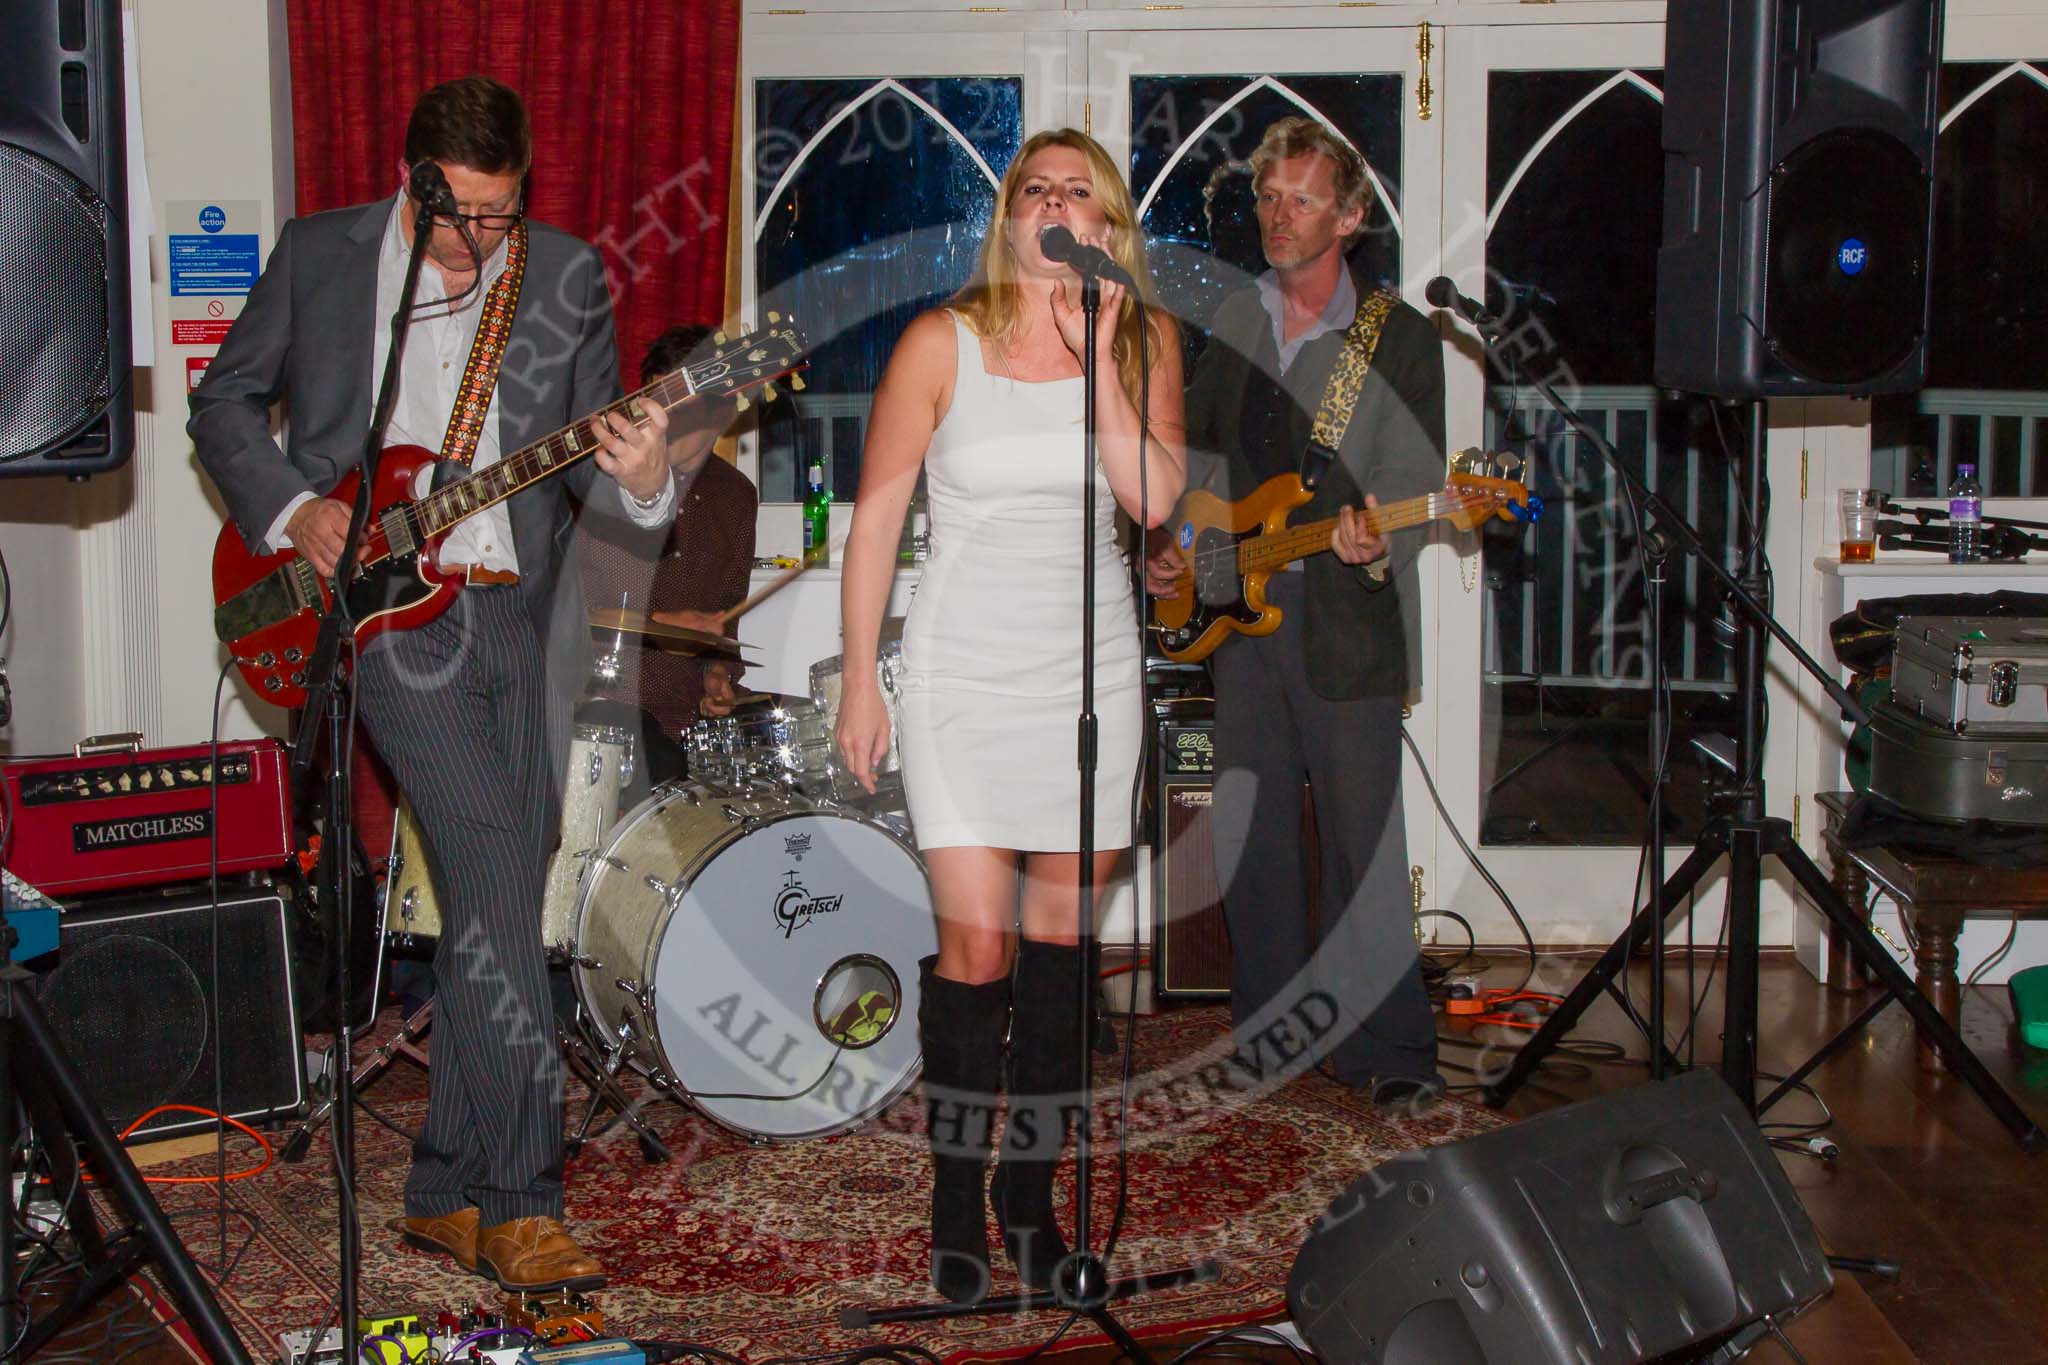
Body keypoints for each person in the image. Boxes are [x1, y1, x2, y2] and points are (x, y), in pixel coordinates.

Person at [190, 76, 717, 1292]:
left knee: (500, 897)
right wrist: (293, 506)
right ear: (408, 180)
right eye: (457, 217)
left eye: (500, 214)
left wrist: (641, 477)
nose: (480, 243)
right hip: (382, 622)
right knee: (491, 879)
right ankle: (521, 1197)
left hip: (517, 624)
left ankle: (438, 1187)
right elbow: (223, 401)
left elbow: (597, 476)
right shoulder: (320, 259)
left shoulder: (566, 275)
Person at [837, 129, 1184, 1303]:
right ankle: (953, 1205)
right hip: (959, 675)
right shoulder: (941, 342)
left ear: (1106, 225)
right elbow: (876, 524)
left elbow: (1153, 501)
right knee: (975, 949)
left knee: (1056, 953)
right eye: (1031, 188)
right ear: (1009, 216)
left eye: (1073, 191)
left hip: (1089, 677)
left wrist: (1094, 362)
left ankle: (1028, 1204)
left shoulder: (1141, 340)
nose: (1049, 203)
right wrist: (855, 676)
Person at [1145, 116, 1448, 1110]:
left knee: (1363, 849)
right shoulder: (1240, 318)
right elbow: (1200, 458)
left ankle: (1389, 1051)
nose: (1276, 216)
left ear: (1350, 218)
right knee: (1251, 837)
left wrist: (1377, 544)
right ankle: (1264, 1039)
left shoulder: (1396, 337)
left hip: (1345, 624)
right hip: (1239, 617)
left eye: (1301, 200)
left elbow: (1412, 476)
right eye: (1268, 198)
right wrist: (1176, 549)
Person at [579, 323, 759, 787]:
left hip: (689, 718)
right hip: (604, 705)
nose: (663, 419)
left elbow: (726, 625)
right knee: (658, 761)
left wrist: (717, 676)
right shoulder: (597, 478)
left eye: (685, 402)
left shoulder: (735, 496)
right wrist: (659, 621)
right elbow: (555, 608)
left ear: (722, 411)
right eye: (657, 402)